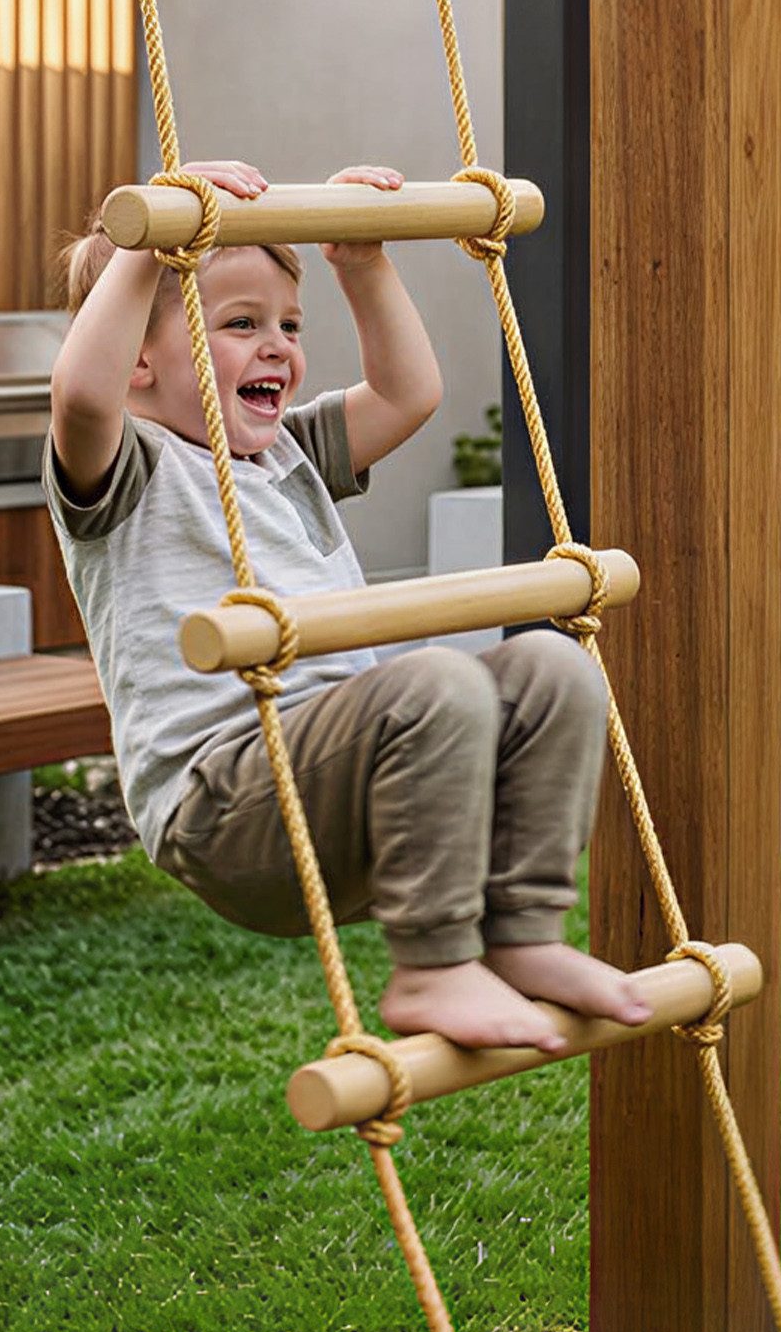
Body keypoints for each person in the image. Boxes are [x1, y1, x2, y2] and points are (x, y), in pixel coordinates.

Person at [44, 159, 648, 1053]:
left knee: (556, 669)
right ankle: (432, 970)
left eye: (289, 324)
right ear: (137, 358)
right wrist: (146, 245)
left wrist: (360, 260)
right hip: (227, 802)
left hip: (359, 788)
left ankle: (521, 935)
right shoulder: (129, 471)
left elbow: (409, 394)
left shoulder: (289, 458)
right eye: (240, 325)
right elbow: (80, 395)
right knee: (433, 684)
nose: (278, 346)